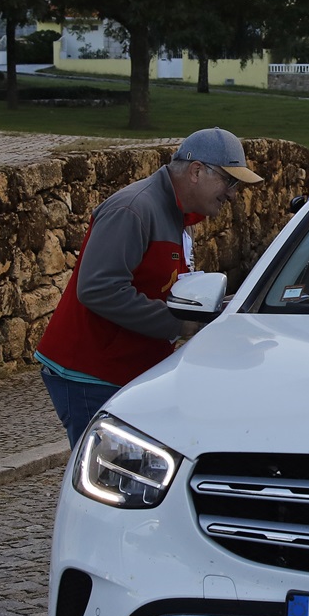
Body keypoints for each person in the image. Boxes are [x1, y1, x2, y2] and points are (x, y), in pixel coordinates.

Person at [35, 126, 261, 441]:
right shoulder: (134, 209)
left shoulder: (181, 217)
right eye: (229, 180)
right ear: (196, 171)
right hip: (90, 373)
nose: (233, 193)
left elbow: (167, 287)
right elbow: (98, 289)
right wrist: (179, 324)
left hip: (124, 371)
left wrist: (217, 308)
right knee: (109, 478)